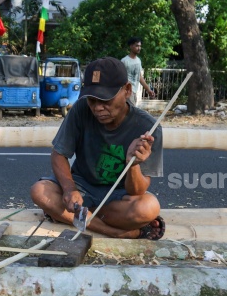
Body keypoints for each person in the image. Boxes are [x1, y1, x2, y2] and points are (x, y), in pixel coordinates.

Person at [29, 57, 165, 239]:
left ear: (127, 90)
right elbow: (59, 154)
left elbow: (137, 192)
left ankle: (74, 214)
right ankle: (117, 231)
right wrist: (69, 189)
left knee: (149, 208)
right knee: (39, 191)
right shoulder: (81, 110)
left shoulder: (148, 127)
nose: (97, 108)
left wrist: (133, 163)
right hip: (82, 187)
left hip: (118, 196)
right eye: (92, 100)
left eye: (105, 99)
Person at [121, 37, 155, 105]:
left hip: (134, 92)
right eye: (137, 46)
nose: (139, 48)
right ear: (131, 46)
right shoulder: (124, 61)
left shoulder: (138, 60)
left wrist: (148, 90)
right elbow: (120, 77)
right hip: (127, 92)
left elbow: (139, 77)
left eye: (140, 46)